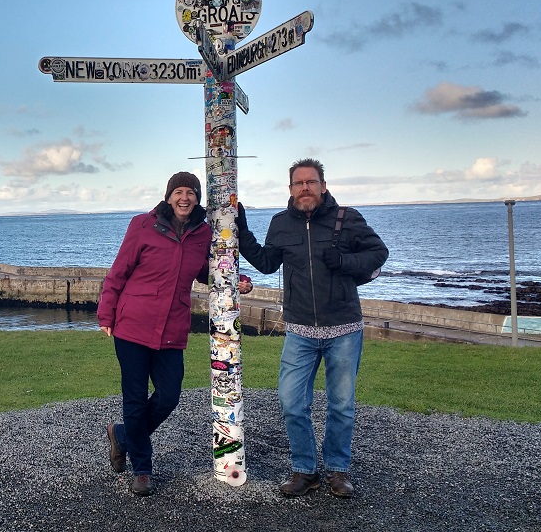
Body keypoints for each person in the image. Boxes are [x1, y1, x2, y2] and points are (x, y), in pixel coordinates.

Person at [235, 158, 388, 498]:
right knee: (291, 403)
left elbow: (379, 252)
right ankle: (305, 470)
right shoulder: (280, 223)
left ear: (323, 185)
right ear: (290, 189)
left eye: (311, 182)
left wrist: (347, 262)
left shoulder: (347, 218)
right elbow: (266, 262)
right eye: (298, 183)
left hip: (344, 328)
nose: (305, 188)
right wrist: (241, 230)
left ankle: (337, 471)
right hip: (300, 331)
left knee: (341, 404)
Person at [99, 171, 251, 496]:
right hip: (132, 326)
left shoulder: (203, 233)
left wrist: (233, 281)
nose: (185, 198)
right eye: (179, 192)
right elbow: (118, 271)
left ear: (197, 199)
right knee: (136, 400)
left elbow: (204, 272)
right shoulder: (143, 224)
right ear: (169, 196)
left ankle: (123, 435)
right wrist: (106, 312)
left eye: (191, 193)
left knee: (169, 397)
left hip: (171, 330)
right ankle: (142, 469)